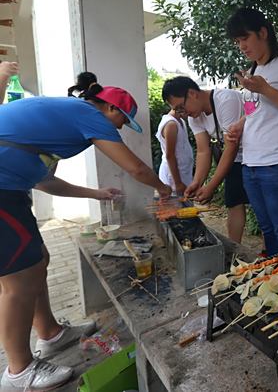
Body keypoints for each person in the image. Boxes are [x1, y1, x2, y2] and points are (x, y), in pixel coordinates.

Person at [0, 71, 171, 390]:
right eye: (123, 122)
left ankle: (50, 333)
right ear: (111, 110)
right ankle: (18, 371)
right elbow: (135, 168)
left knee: (38, 259)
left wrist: (96, 194)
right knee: (19, 278)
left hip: (10, 190)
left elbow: (44, 181)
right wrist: (164, 189)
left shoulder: (63, 120)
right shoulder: (89, 115)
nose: (119, 129)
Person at [226, 8, 278, 256]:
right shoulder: (254, 72)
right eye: (237, 41)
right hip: (251, 163)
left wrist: (265, 89)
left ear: (263, 33)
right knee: (267, 229)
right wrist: (239, 124)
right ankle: (277, 280)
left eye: (245, 38)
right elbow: (256, 111)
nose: (242, 46)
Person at [161, 76, 247, 243]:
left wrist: (211, 186)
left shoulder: (225, 100)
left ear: (192, 93)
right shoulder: (195, 117)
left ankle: (273, 249)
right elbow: (203, 151)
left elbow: (231, 146)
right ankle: (234, 251)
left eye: (181, 107)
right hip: (236, 158)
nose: (182, 114)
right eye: (177, 111)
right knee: (234, 204)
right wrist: (197, 183)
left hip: (257, 156)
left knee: (262, 208)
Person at [155, 107, 194, 196]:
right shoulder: (171, 124)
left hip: (183, 173)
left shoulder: (181, 121)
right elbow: (170, 155)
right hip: (173, 176)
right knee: (173, 207)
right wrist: (178, 183)